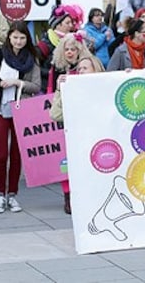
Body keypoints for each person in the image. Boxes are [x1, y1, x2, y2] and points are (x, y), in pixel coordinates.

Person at [0, 21, 41, 214]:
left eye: (22, 38)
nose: (18, 41)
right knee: (2, 154)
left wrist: (18, 82)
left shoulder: (32, 57)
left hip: (21, 109)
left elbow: (36, 86)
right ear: (9, 37)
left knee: (16, 154)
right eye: (15, 37)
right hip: (0, 108)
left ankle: (12, 194)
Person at [48, 33, 93, 213]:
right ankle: (67, 196)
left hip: (85, 122)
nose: (69, 52)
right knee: (65, 160)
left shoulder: (86, 68)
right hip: (65, 120)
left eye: (73, 49)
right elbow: (50, 92)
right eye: (66, 49)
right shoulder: (57, 69)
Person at [37, 5, 83, 91]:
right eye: (67, 23)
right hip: (48, 87)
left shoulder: (72, 40)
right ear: (57, 25)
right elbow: (36, 67)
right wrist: (52, 73)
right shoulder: (45, 44)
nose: (71, 25)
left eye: (71, 22)